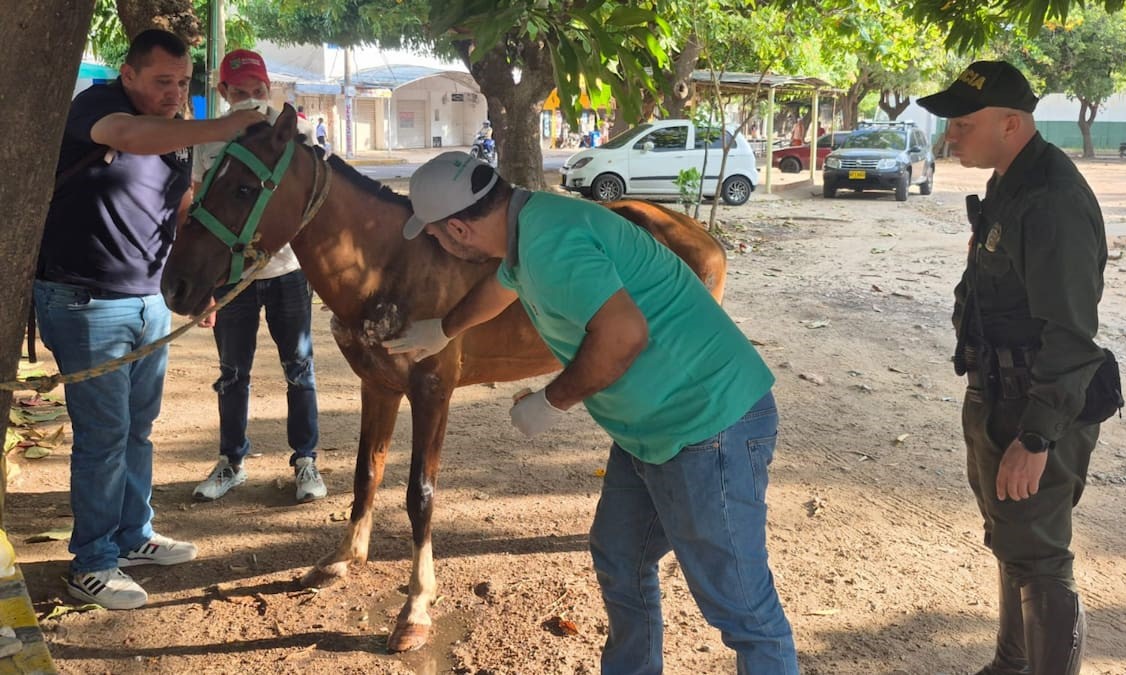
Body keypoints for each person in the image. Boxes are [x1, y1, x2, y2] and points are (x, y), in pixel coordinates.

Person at [387, 151, 800, 674]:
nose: (436, 244)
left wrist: (551, 401)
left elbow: (624, 335)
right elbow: (502, 285)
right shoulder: (529, 222)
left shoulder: (550, 245)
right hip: (650, 431)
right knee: (622, 559)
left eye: (434, 235)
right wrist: (444, 329)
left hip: (709, 425)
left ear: (459, 230)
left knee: (743, 610)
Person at [34, 29, 265, 610]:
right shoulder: (97, 107)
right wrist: (223, 126)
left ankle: (133, 536)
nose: (174, 94)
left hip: (149, 299)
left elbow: (177, 208)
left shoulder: (176, 132)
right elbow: (130, 136)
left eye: (183, 83)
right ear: (129, 74)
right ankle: (92, 564)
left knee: (138, 427)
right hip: (86, 301)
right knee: (104, 437)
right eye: (163, 81)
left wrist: (201, 286)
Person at [917, 60, 1107, 674]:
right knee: (1012, 539)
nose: (951, 136)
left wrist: (1036, 436)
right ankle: (1010, 666)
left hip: (1036, 405)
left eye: (963, 124)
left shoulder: (1051, 199)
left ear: (1011, 123)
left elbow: (1071, 334)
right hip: (999, 391)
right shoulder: (1011, 183)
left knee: (1040, 558)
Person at [190, 49, 326, 505]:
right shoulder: (209, 139)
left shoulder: (296, 132)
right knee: (233, 372)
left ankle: (305, 459)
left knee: (299, 368)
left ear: (270, 89)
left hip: (287, 271)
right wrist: (207, 289)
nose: (251, 99)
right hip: (232, 276)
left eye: (259, 90)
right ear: (223, 92)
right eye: (240, 92)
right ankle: (231, 461)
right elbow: (198, 206)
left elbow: (316, 202)